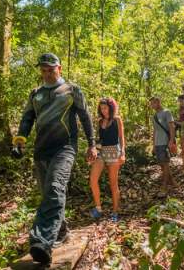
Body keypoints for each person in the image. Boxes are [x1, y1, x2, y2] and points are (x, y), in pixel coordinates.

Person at [13, 53, 97, 265]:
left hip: (65, 148)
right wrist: (20, 141)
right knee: (48, 193)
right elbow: (27, 119)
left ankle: (42, 242)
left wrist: (92, 144)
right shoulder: (35, 94)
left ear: (59, 68)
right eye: (43, 70)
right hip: (41, 150)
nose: (47, 73)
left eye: (51, 69)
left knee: (54, 188)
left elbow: (85, 117)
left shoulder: (71, 90)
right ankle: (61, 231)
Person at [88, 98, 126, 222]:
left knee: (113, 183)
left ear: (111, 107)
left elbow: (121, 138)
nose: (103, 110)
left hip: (115, 151)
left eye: (105, 107)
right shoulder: (100, 121)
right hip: (102, 151)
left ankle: (115, 212)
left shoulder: (117, 119)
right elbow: (100, 139)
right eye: (101, 108)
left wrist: (122, 153)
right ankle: (98, 209)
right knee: (93, 180)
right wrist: (93, 153)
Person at [149, 97, 178, 196]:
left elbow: (172, 127)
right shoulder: (154, 116)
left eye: (153, 103)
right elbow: (154, 131)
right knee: (162, 164)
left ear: (158, 102)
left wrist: (171, 141)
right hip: (157, 143)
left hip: (165, 142)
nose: (152, 105)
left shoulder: (166, 112)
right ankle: (173, 182)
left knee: (165, 164)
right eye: (151, 104)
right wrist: (153, 145)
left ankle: (164, 187)